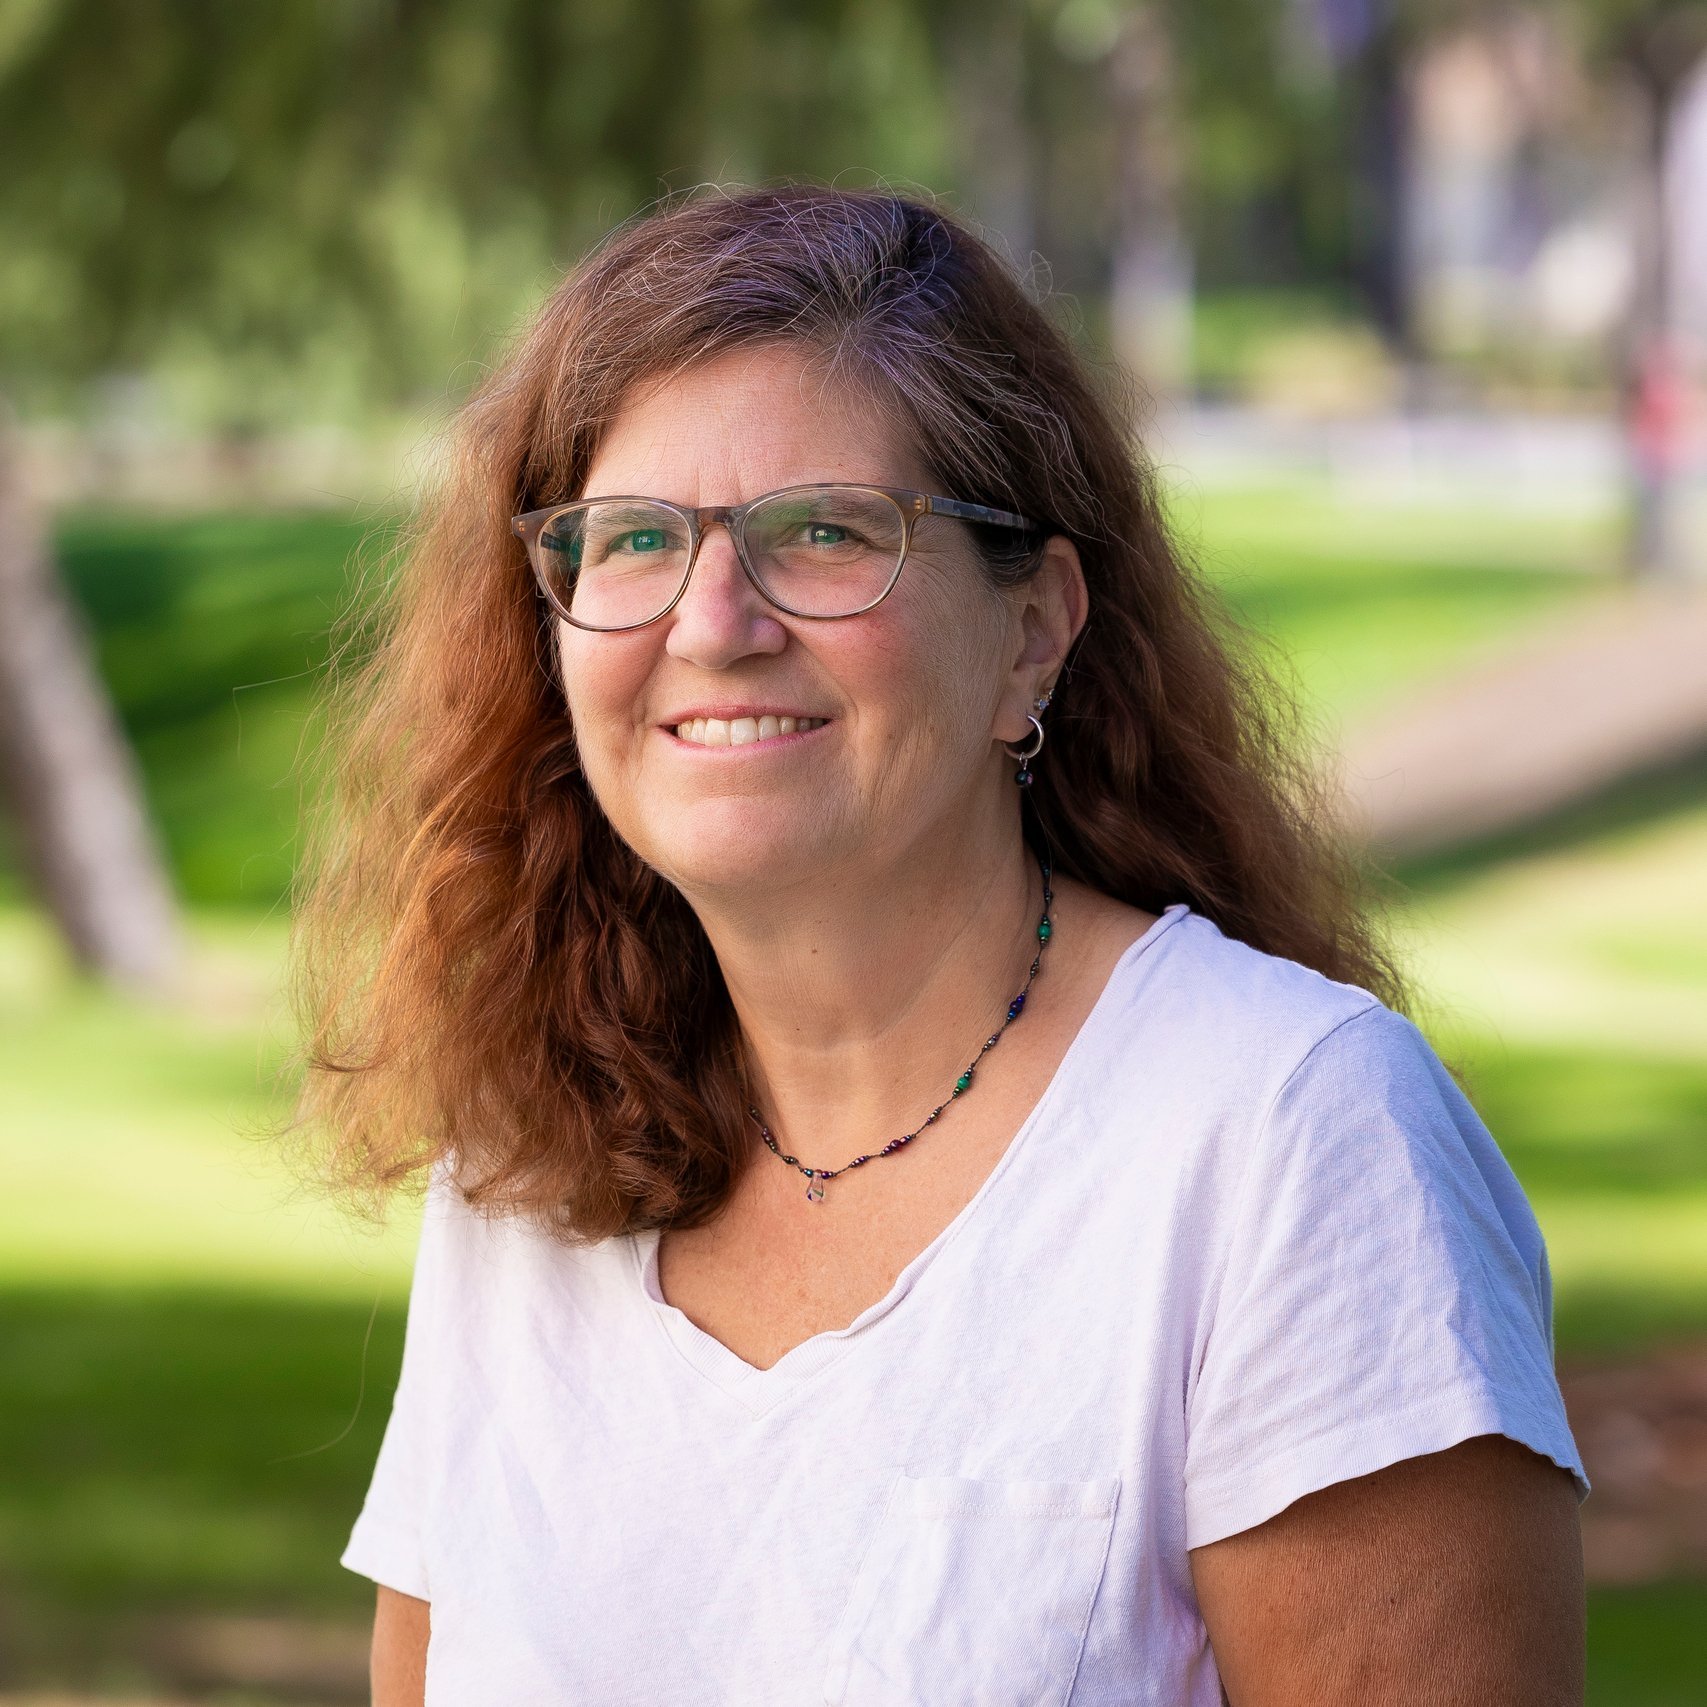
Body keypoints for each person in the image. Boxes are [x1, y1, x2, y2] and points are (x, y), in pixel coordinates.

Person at [288, 183, 1589, 1705]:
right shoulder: (525, 1168)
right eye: (633, 539)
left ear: (1031, 631)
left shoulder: (1287, 1138)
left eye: (826, 532)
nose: (714, 622)